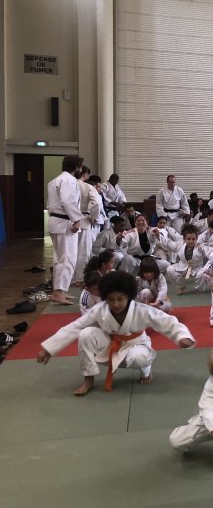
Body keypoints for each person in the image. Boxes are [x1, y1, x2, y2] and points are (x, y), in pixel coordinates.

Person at [36, 270, 195, 395]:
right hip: (110, 343)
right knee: (85, 333)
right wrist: (49, 348)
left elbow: (166, 321)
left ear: (129, 296)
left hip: (136, 344)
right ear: (105, 297)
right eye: (111, 299)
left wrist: (182, 336)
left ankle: (145, 370)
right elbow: (75, 327)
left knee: (139, 357)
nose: (116, 304)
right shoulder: (100, 309)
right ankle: (88, 378)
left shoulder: (141, 310)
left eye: (120, 299)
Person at [47, 155, 85, 305]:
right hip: (65, 223)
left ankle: (59, 291)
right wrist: (76, 220)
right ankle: (58, 292)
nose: (81, 169)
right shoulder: (69, 180)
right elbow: (68, 201)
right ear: (76, 167)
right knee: (67, 259)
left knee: (59, 259)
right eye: (80, 166)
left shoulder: (54, 180)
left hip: (55, 222)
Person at [74, 166, 102, 286]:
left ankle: (69, 279)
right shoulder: (87, 186)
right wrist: (93, 216)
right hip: (84, 220)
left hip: (68, 221)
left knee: (69, 252)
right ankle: (79, 278)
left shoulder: (66, 185)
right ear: (85, 175)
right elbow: (96, 203)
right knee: (83, 251)